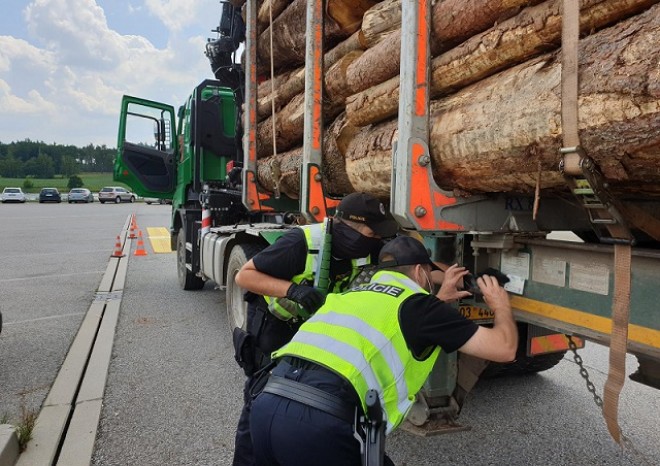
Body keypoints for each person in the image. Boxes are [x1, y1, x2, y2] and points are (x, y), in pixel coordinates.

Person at [249, 235, 518, 466]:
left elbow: (395, 320)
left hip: (265, 405)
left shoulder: (347, 296)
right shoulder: (422, 308)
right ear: (420, 272)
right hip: (318, 425)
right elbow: (504, 349)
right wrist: (501, 305)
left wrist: (436, 300)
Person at [231, 192, 399, 466]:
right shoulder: (301, 242)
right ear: (351, 229)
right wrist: (292, 290)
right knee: (261, 406)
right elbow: (244, 276)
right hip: (275, 332)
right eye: (372, 232)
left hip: (312, 337)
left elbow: (411, 264)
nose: (377, 240)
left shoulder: (365, 248)